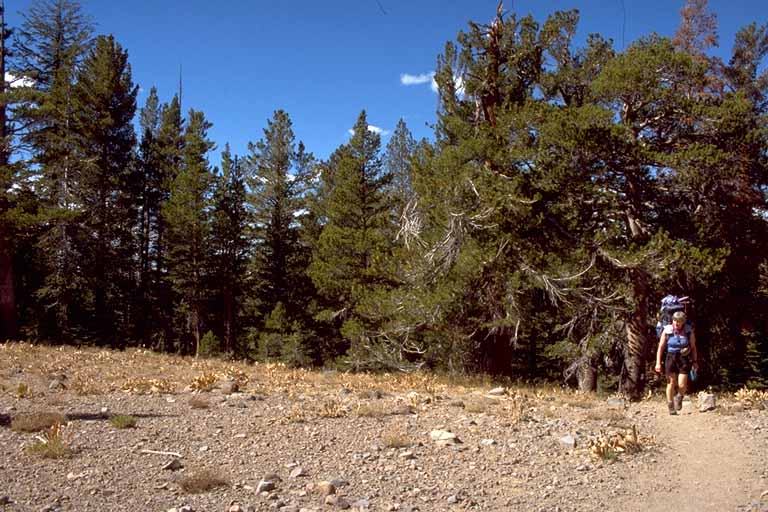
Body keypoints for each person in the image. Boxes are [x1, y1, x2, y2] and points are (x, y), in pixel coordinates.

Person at [655, 311, 698, 415]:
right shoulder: (667, 330)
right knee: (671, 382)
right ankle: (670, 405)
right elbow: (660, 347)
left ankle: (679, 397)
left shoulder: (688, 331)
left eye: (679, 321)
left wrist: (695, 361)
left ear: (683, 321)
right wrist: (658, 363)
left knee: (682, 384)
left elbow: (693, 347)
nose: (676, 323)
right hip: (670, 357)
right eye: (675, 320)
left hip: (684, 358)